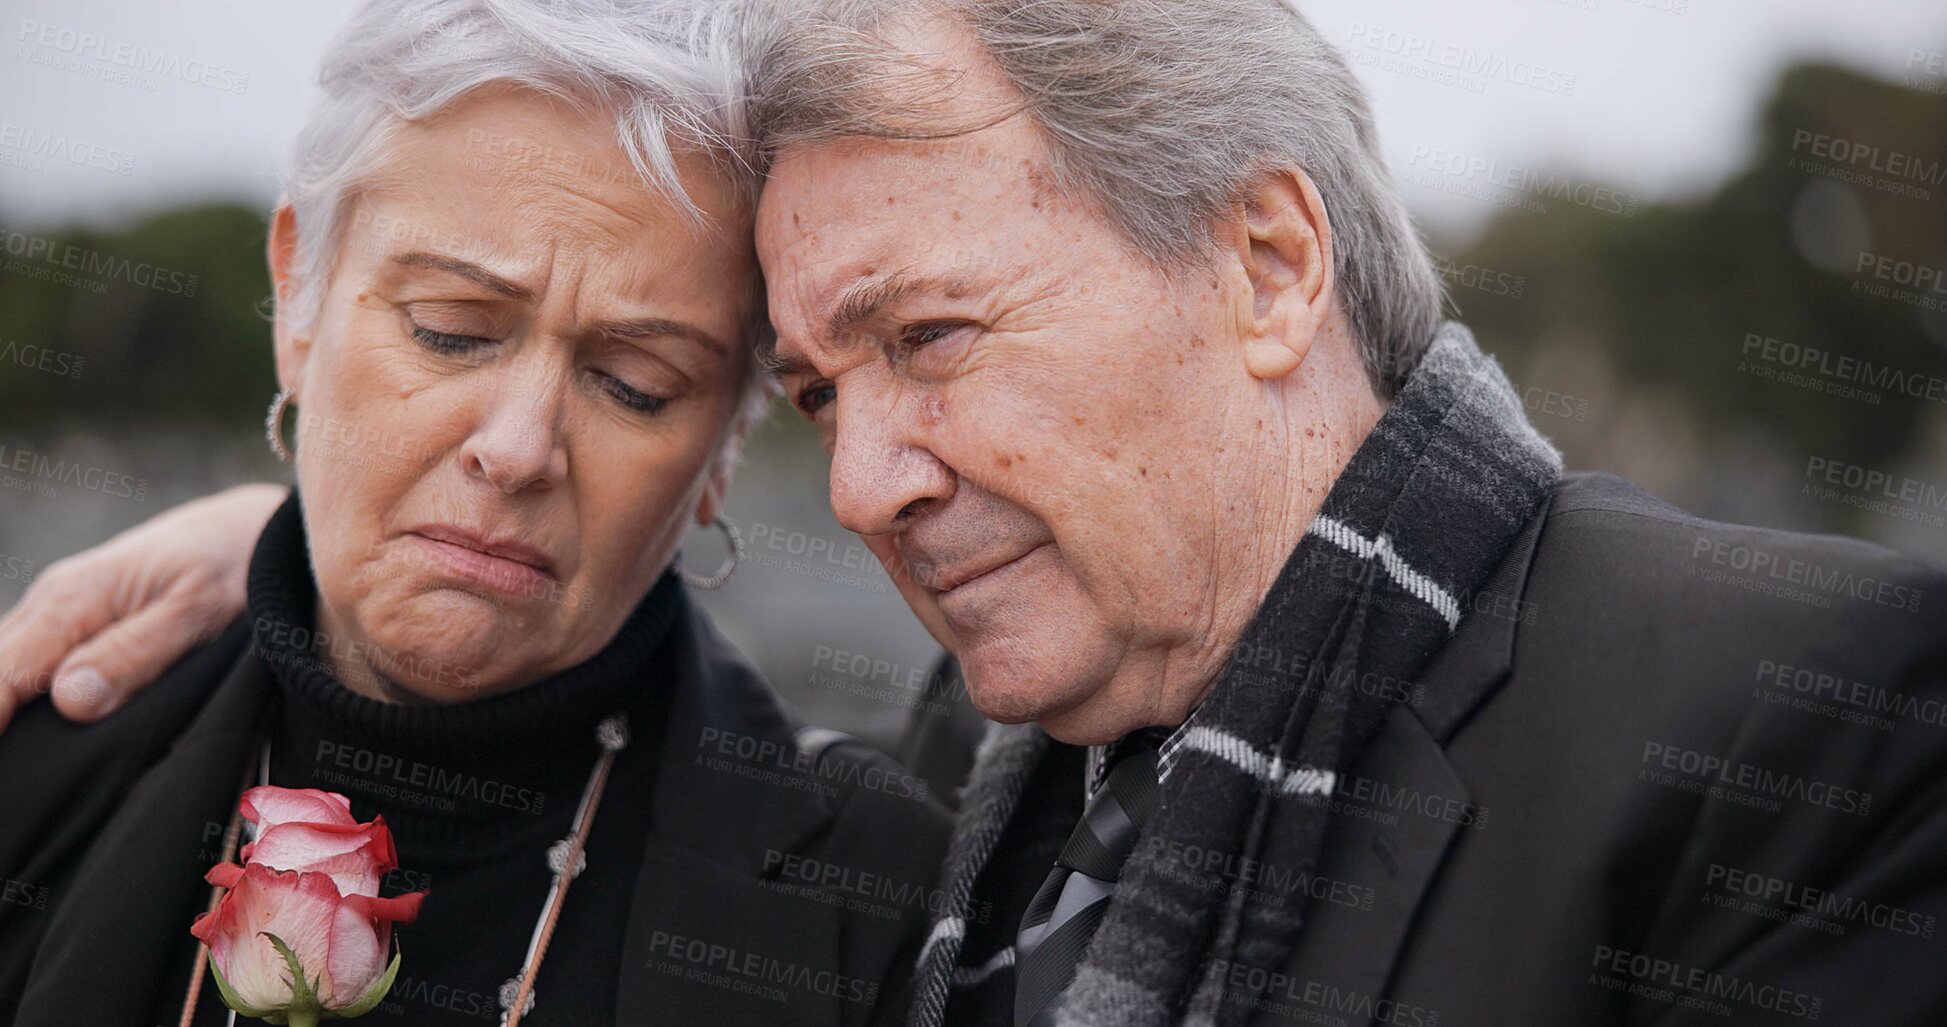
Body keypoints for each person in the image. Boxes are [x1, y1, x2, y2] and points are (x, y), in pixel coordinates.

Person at [9, 0, 1947, 1025]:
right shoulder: (995, 766)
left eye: (929, 337)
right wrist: (300, 565)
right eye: (821, 395)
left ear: (1269, 262)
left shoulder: (1790, 729)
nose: (856, 485)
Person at [0, 2, 947, 1026]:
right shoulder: (37, 766)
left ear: (724, 447)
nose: (518, 448)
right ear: (300, 301)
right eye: (450, 331)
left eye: (635, 382)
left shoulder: (885, 905)